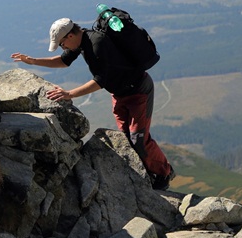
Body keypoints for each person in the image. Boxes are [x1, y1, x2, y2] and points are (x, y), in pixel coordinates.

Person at [11, 17, 176, 190]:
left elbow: (101, 80)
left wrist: (69, 94)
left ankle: (165, 172)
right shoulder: (81, 43)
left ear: (69, 36)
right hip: (120, 94)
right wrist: (33, 61)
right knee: (127, 138)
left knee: (138, 138)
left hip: (138, 91)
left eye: (61, 44)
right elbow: (63, 61)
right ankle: (149, 173)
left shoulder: (97, 43)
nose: (63, 48)